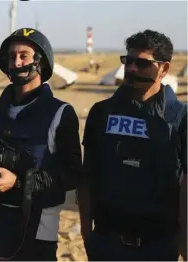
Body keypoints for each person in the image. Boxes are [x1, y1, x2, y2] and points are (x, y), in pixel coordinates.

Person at [0, 28, 82, 261]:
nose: (16, 62)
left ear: (40, 62)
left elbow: (72, 174)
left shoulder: (60, 113)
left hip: (39, 224)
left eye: (23, 55)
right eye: (11, 56)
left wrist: (19, 182)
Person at [78, 29, 187, 261]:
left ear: (164, 69)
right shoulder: (101, 113)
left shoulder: (180, 118)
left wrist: (183, 239)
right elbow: (86, 177)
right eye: (128, 61)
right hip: (107, 243)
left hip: (158, 246)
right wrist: (87, 235)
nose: (132, 69)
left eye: (142, 63)